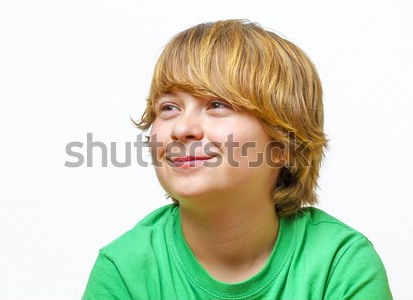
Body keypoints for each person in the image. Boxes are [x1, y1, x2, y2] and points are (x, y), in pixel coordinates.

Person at [82, 19, 392, 300]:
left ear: (284, 142)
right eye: (168, 107)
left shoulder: (340, 264)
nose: (182, 128)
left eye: (216, 104)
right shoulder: (124, 269)